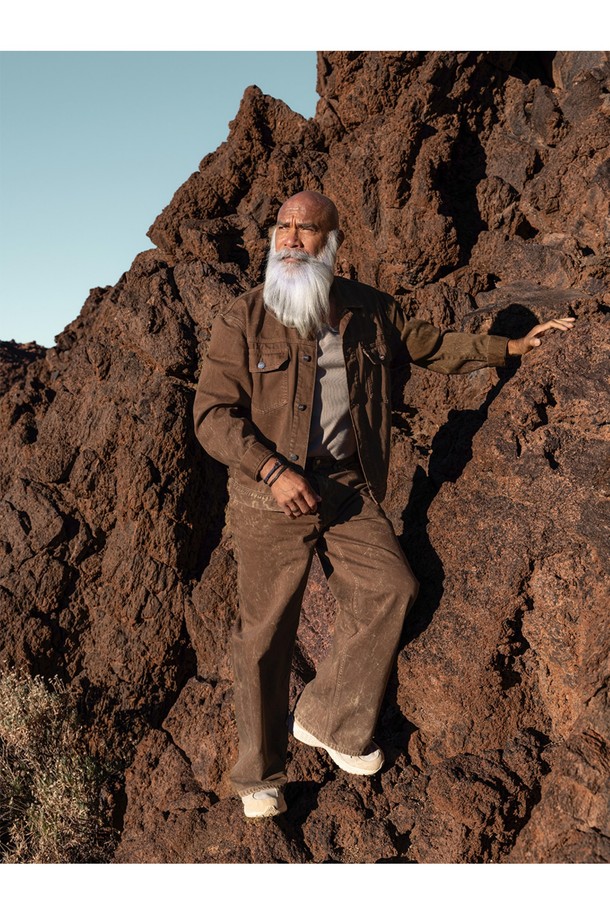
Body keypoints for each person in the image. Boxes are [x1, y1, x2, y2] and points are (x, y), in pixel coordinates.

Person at [192, 190, 575, 819]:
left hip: (346, 485)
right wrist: (272, 470)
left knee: (392, 587)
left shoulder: (369, 310)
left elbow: (433, 347)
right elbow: (211, 415)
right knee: (265, 634)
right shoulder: (244, 318)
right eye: (283, 226)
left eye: (306, 229)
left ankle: (328, 719)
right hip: (268, 496)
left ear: (331, 243)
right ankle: (258, 777)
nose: (291, 238)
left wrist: (512, 349)